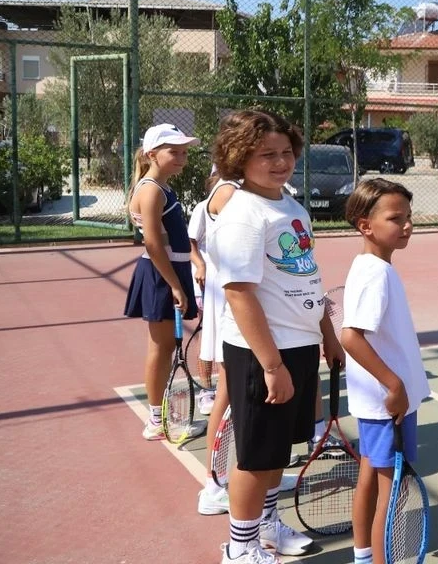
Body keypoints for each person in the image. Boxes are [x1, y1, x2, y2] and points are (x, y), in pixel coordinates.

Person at [210, 110, 344, 564]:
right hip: (263, 354)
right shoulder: (243, 214)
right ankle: (240, 548)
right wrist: (271, 365)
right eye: (267, 154)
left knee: (276, 454)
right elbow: (239, 294)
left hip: (299, 347)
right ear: (239, 157)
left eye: (286, 152)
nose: (281, 162)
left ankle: (266, 525)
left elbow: (307, 276)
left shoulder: (292, 206)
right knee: (255, 459)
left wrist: (327, 333)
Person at [339, 178, 431, 564]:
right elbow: (350, 336)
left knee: (371, 479)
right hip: (387, 404)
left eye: (408, 217)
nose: (406, 225)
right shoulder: (375, 273)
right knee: (390, 493)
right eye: (395, 218)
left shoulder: (373, 267)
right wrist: (394, 385)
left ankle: (364, 556)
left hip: (381, 403)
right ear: (366, 225)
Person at [122, 123, 202, 441]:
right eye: (174, 152)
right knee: (160, 347)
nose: (181, 158)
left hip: (170, 272)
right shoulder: (151, 190)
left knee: (166, 346)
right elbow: (153, 244)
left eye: (184, 152)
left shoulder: (162, 187)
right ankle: (156, 419)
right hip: (161, 275)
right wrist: (175, 285)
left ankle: (161, 415)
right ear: (152, 154)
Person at [190, 168, 241, 515]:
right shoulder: (229, 193)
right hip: (235, 307)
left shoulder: (247, 191)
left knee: (241, 395)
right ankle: (214, 484)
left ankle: (254, 473)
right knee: (229, 390)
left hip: (249, 305)